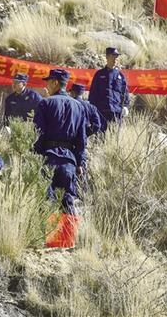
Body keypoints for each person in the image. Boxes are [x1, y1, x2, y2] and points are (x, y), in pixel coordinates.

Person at [33, 69, 88, 215]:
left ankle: (47, 231)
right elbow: (81, 139)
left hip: (48, 158)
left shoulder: (45, 103)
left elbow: (38, 133)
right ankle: (68, 231)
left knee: (46, 205)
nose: (47, 86)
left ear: (55, 83)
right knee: (68, 205)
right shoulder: (78, 106)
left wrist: (36, 157)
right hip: (69, 161)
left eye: (48, 82)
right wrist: (80, 163)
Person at [88, 47, 130, 124]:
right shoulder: (99, 74)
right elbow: (93, 93)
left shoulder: (120, 76)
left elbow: (125, 93)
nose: (115, 58)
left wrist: (125, 106)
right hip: (101, 112)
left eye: (117, 56)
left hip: (116, 112)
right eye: (113, 55)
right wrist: (92, 109)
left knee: (114, 131)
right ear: (107, 57)